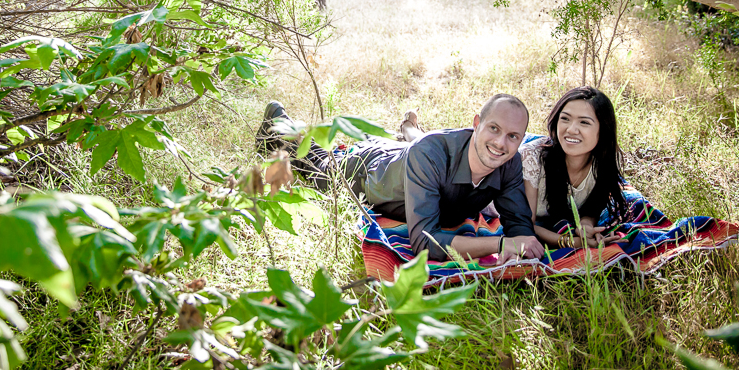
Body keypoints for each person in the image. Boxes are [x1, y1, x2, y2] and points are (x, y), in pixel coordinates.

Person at [257, 94, 545, 263]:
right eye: (494, 128)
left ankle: (406, 129)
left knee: (412, 147)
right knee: (321, 168)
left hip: (408, 156)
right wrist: (500, 245)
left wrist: (521, 242)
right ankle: (278, 123)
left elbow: (520, 226)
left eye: (513, 136)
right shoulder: (431, 154)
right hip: (369, 173)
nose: (501, 143)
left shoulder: (509, 163)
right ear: (476, 123)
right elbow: (424, 242)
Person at [517, 86, 627, 250]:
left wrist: (586, 226)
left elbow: (593, 206)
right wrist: (573, 242)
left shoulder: (604, 160)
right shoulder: (531, 159)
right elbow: (523, 226)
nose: (571, 129)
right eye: (565, 119)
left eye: (584, 122)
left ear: (603, 129)